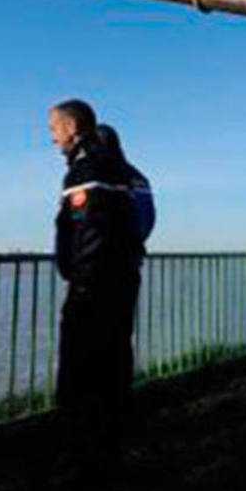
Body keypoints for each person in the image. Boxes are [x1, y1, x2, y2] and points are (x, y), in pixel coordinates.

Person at [49, 100, 143, 486]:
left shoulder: (87, 171)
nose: (51, 137)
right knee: (113, 370)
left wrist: (82, 283)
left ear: (72, 127)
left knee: (83, 376)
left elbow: (90, 234)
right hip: (118, 283)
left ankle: (87, 463)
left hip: (95, 289)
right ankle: (107, 455)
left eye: (53, 129)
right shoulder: (116, 167)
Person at [95, 123, 154, 415]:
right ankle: (121, 401)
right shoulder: (139, 177)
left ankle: (101, 408)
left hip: (103, 269)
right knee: (120, 339)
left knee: (97, 343)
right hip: (130, 265)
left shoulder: (105, 176)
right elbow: (148, 220)